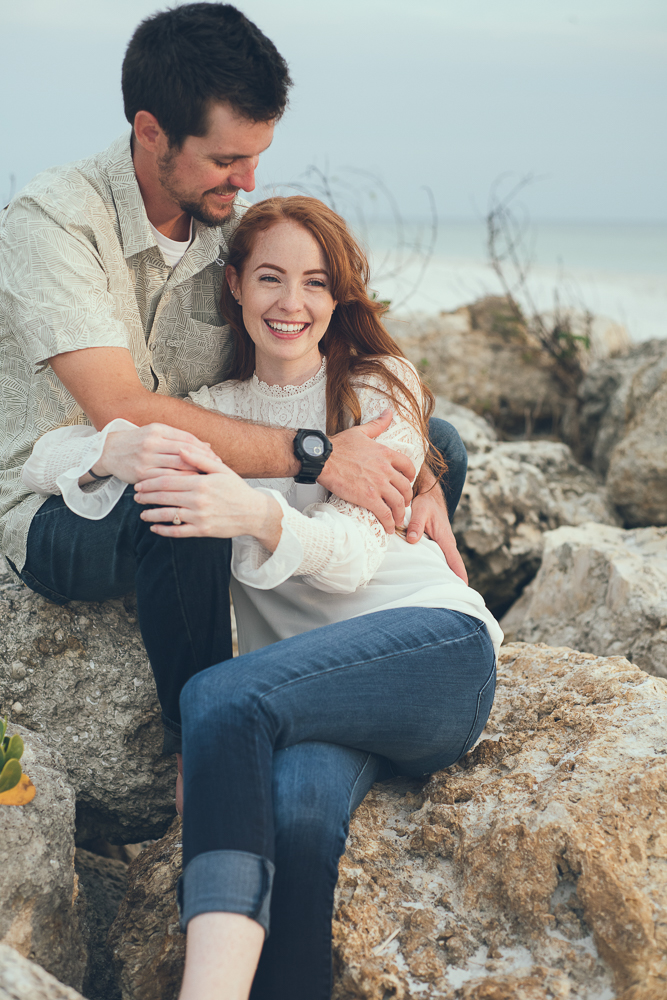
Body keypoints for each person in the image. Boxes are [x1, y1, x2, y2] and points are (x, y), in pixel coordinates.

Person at [24, 197, 503, 1000]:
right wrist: (119, 442)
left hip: (434, 655)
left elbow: (351, 554)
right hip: (323, 701)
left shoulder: (379, 386)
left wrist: (254, 512)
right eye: (271, 278)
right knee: (298, 827)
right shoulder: (214, 414)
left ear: (337, 299)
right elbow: (44, 456)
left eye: (315, 284)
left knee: (217, 697)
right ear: (235, 287)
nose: (292, 303)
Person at [0, 3, 468, 784]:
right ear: (152, 133)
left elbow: (343, 355)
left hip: (202, 450)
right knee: (181, 489)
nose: (247, 181)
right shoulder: (53, 218)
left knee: (431, 436)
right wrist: (321, 457)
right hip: (61, 501)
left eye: (257, 156)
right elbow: (120, 408)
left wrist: (420, 473)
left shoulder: (228, 227)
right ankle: (202, 751)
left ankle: (357, 655)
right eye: (226, 159)